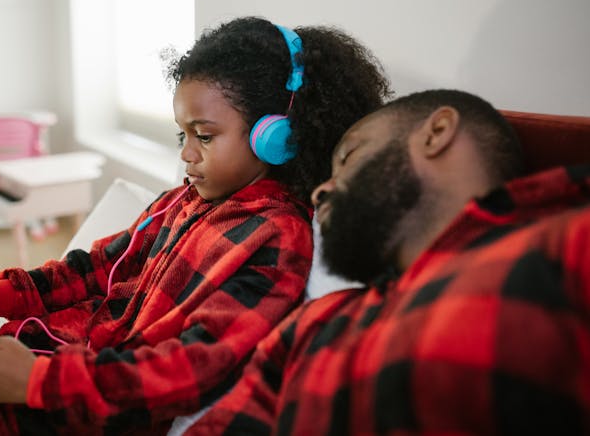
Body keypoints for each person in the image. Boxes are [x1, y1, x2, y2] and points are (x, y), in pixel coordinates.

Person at [0, 17, 389, 434]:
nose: (188, 155)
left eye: (204, 135)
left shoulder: (277, 239)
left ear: (278, 136)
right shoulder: (180, 202)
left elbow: (194, 366)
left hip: (81, 406)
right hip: (50, 359)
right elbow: (95, 267)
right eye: (182, 135)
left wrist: (32, 382)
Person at [186, 89, 590, 435]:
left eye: (348, 158)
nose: (320, 191)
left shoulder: (565, 241)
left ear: (436, 133)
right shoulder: (316, 323)